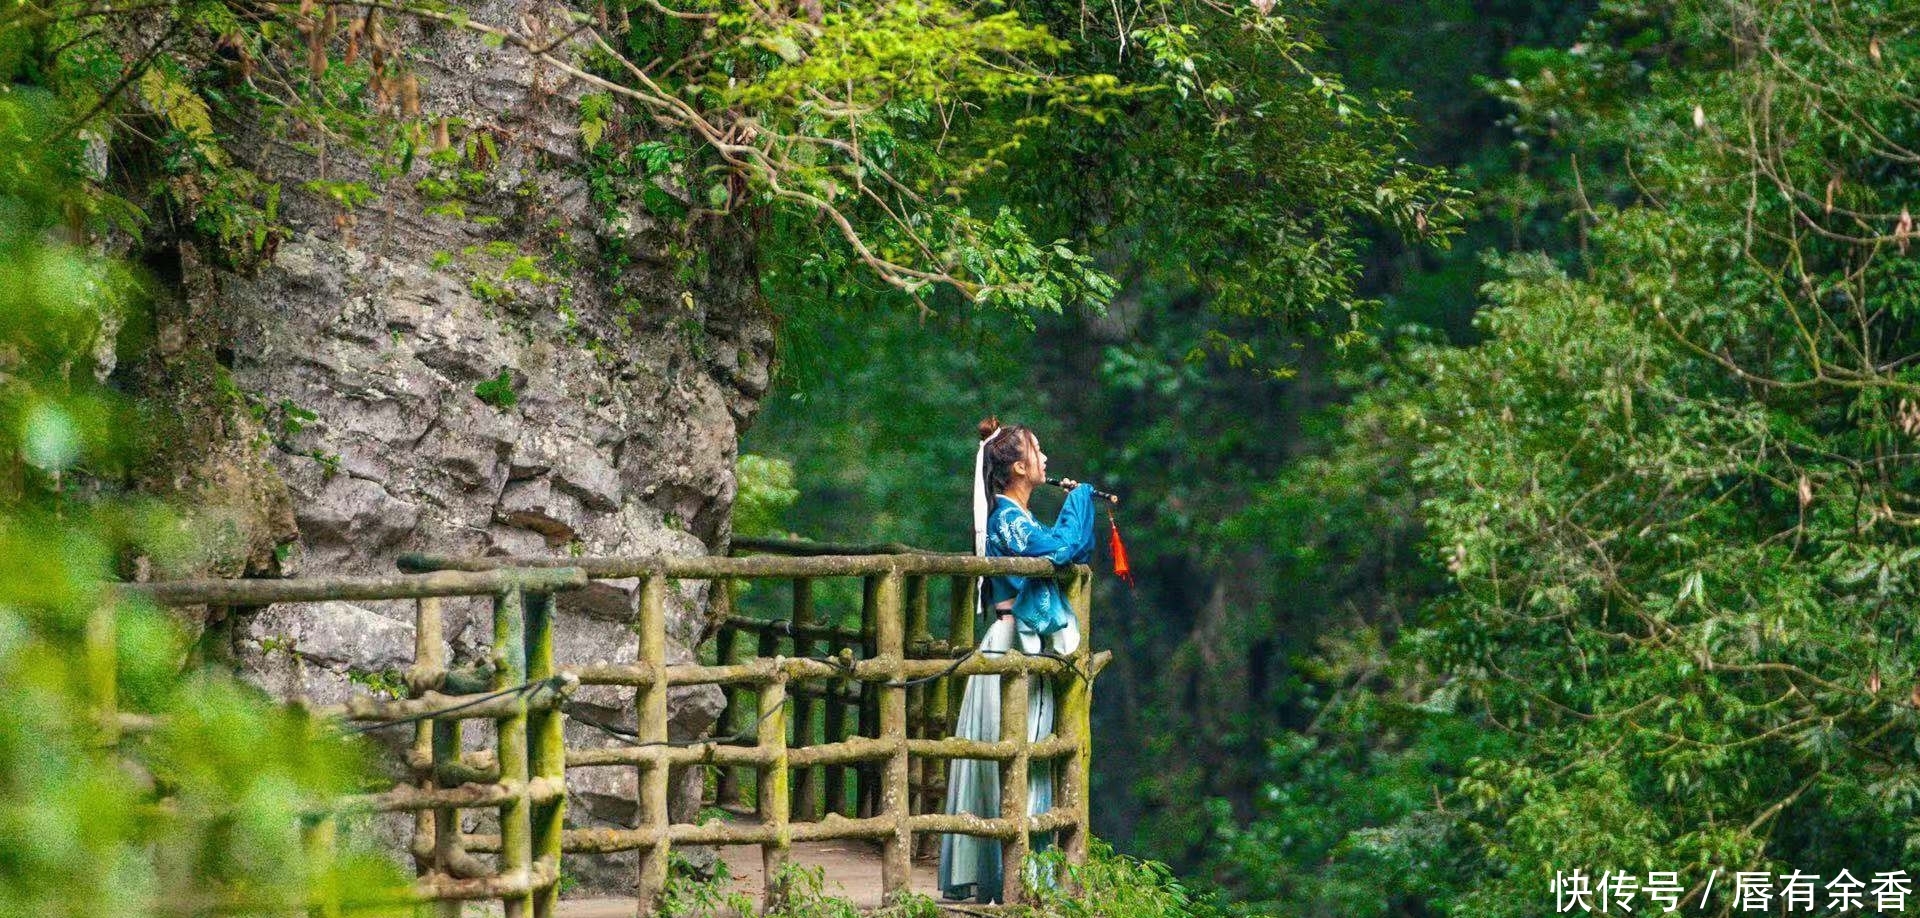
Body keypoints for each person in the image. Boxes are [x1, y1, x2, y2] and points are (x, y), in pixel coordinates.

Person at [938, 417, 1095, 903]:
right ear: (1016, 467)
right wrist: (1079, 501)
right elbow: (1061, 550)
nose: (1045, 459)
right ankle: (1018, 878)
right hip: (1010, 647)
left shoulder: (1017, 518)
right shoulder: (1009, 519)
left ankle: (1025, 874)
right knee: (1014, 757)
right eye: (1037, 451)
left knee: (1022, 756)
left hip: (1019, 646)